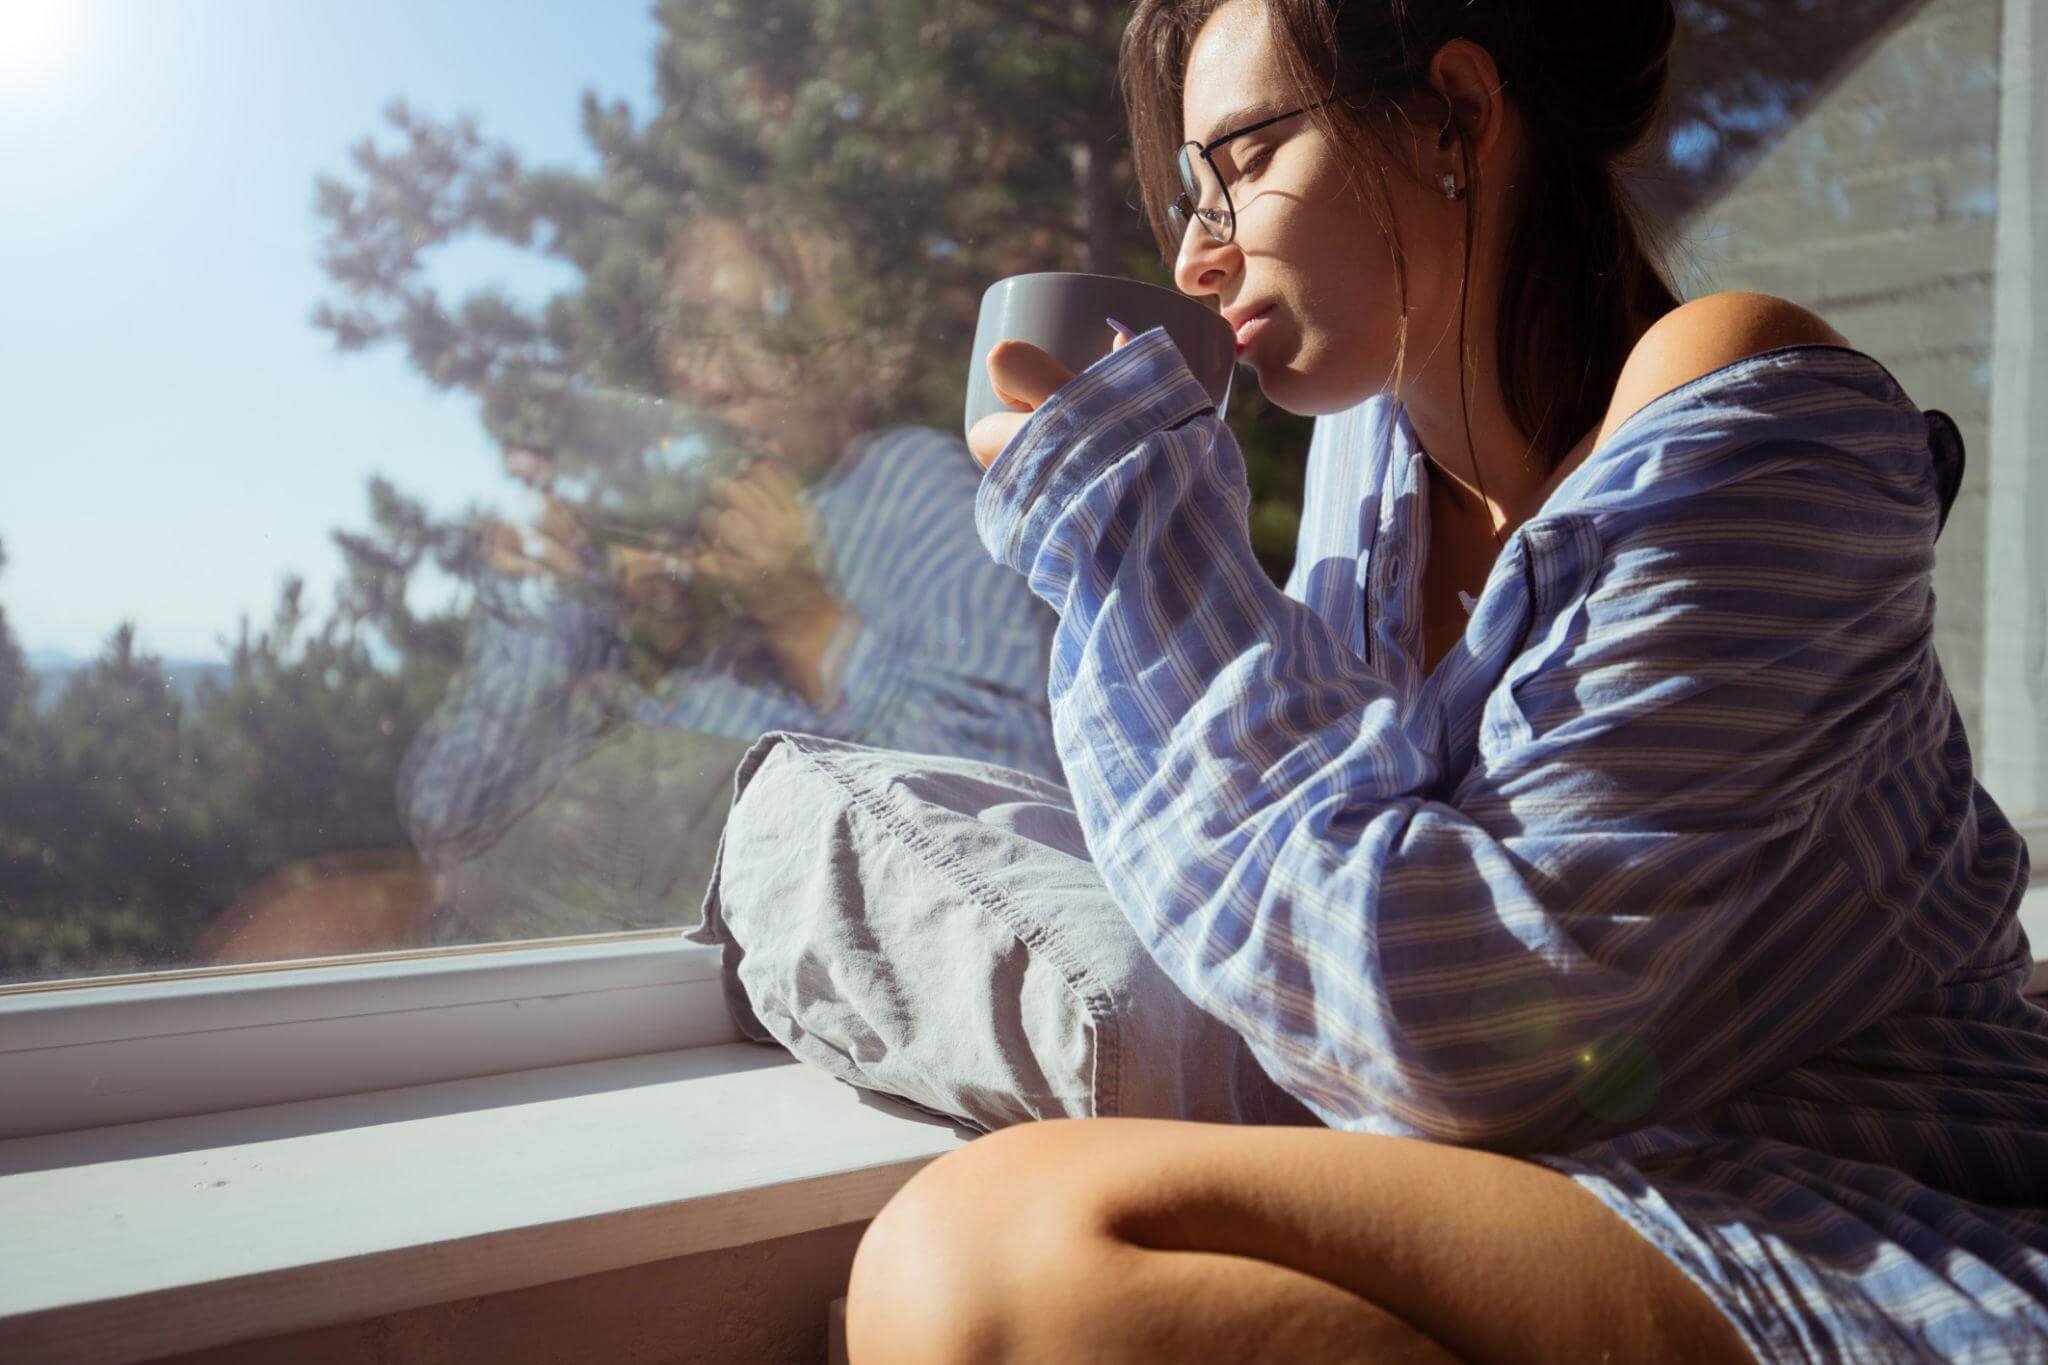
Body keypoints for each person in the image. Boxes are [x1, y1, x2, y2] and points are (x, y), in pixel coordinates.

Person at [842, 2, 2048, 1361]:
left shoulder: (1756, 411)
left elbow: (1458, 1021)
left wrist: (1123, 527)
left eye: (1240, 161)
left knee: (992, 1268)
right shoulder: (1375, 476)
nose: (1193, 254)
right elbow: (1306, 885)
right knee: (981, 1255)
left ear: (1456, 117)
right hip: (1580, 1182)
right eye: (1189, 193)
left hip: (1878, 1201)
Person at [396, 215, 1062, 945]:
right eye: (693, 336)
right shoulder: (623, 531)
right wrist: (540, 606)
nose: (717, 378)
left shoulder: (905, 486)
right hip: (549, 961)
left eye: (757, 329)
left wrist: (808, 621)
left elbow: (1019, 816)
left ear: (830, 351)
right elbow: (446, 817)